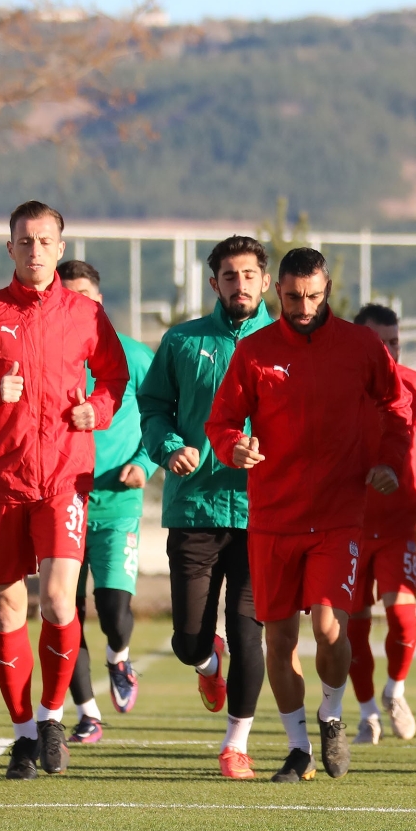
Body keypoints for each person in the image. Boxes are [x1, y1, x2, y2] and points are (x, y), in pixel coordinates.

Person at [0, 201, 127, 778]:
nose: (35, 250)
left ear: (60, 248)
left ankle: (52, 717)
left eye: (44, 240)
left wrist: (98, 410)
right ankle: (22, 735)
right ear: (9, 247)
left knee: (60, 600)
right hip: (1, 482)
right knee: (6, 607)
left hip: (64, 478)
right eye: (25, 240)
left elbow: (114, 379)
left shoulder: (86, 315)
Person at [206, 248, 410, 784]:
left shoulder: (361, 346)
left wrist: (389, 461)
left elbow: (396, 407)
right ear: (278, 292)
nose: (303, 307)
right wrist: (234, 447)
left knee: (328, 626)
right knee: (278, 640)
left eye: (313, 297)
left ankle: (332, 714)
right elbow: (222, 421)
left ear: (328, 290)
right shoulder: (254, 352)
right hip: (273, 517)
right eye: (294, 297)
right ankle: (298, 749)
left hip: (339, 514)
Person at [138, 236, 276, 778]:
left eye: (249, 275)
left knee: (248, 634)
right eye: (229, 276)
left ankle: (235, 745)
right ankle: (205, 660)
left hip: (262, 512)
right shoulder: (182, 340)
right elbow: (153, 408)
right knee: (187, 640)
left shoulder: (286, 344)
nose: (240, 284)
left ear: (265, 281)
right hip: (194, 508)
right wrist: (170, 447)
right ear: (214, 283)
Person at [54, 260, 158, 744]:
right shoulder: (49, 357)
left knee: (114, 611)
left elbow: (164, 413)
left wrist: (145, 462)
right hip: (61, 502)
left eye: (84, 297)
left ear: (99, 303)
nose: (76, 305)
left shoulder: (133, 356)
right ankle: (87, 713)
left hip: (118, 504)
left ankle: (119, 656)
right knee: (64, 611)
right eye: (67, 297)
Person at [346, 304, 416, 745]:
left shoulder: (415, 385)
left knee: (403, 618)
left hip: (396, 525)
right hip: (347, 526)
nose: (389, 351)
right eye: (379, 342)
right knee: (353, 626)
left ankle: (395, 690)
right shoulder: (340, 387)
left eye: (394, 342)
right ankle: (367, 712)